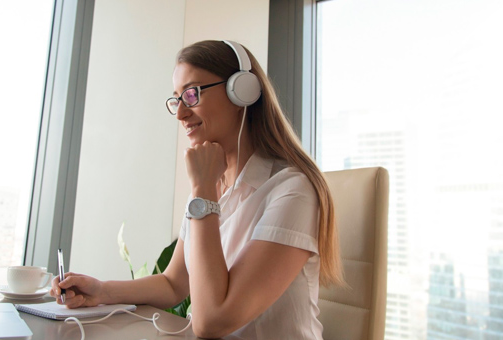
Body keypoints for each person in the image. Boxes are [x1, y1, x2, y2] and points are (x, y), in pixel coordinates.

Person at [50, 40, 343, 339]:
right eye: (176, 100)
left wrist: (202, 190)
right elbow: (174, 283)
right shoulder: (210, 186)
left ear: (242, 91)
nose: (180, 114)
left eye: (191, 94)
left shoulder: (292, 191)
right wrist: (100, 291)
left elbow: (211, 322)